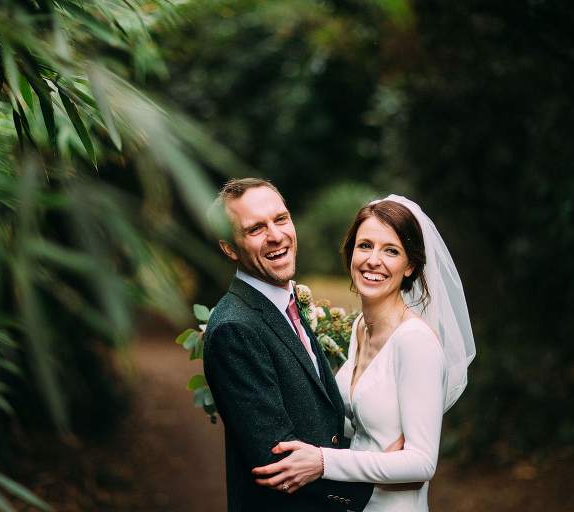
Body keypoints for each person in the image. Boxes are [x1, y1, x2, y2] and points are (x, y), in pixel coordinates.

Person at [252, 195, 476, 511]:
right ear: (351, 252)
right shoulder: (361, 326)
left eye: (391, 251)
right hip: (353, 503)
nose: (373, 260)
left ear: (410, 265)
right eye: (365, 245)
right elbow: (360, 424)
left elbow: (422, 463)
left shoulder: (415, 343)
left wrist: (323, 461)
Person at [202, 178, 375, 512]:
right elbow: (277, 462)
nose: (276, 235)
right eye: (255, 229)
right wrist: (376, 485)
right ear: (229, 248)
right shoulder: (235, 328)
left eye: (280, 219)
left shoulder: (284, 305)